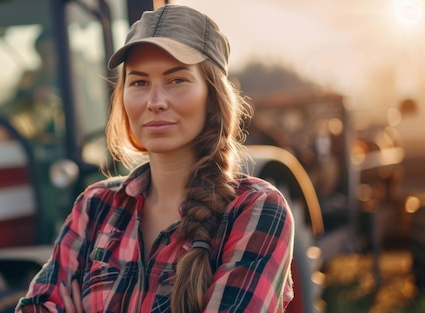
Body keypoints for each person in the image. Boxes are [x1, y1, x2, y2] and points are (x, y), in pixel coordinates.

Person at [15, 4, 294, 313]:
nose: (155, 102)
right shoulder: (94, 206)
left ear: (213, 97)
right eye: (139, 82)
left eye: (177, 80)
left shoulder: (256, 210)